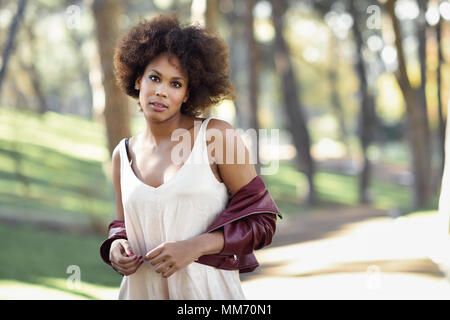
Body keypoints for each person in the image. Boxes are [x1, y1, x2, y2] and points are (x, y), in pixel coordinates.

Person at [100, 14, 281, 300]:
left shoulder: (216, 137)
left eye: (175, 84)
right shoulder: (122, 155)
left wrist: (196, 247)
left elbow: (262, 223)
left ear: (187, 94)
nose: (161, 91)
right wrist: (115, 246)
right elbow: (123, 225)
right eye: (154, 78)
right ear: (138, 80)